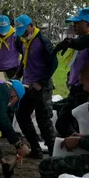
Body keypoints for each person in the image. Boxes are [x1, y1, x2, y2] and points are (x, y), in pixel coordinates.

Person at [13, 14, 58, 158]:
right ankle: (36, 149)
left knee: (43, 120)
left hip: (41, 86)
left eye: (25, 31)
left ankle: (53, 152)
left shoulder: (42, 41)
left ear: (31, 25)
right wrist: (18, 74)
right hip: (27, 85)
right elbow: (24, 60)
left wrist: (41, 82)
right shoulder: (23, 41)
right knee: (22, 116)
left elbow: (53, 63)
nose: (23, 35)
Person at [53, 11, 89, 138]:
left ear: (88, 23)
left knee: (74, 123)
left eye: (77, 23)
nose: (74, 26)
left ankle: (81, 145)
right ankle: (78, 143)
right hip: (75, 89)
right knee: (63, 123)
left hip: (84, 91)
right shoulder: (81, 42)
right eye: (73, 23)